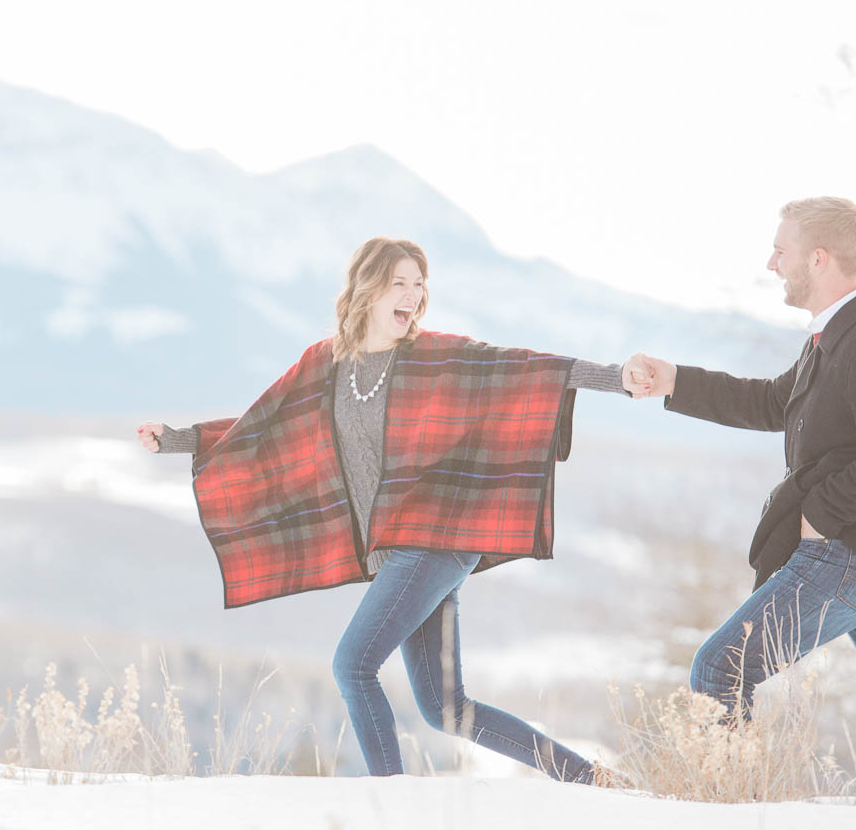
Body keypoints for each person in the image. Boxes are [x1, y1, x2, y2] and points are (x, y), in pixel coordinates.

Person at [138, 237, 638, 779]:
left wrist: (616, 379)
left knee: (352, 666)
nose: (413, 294)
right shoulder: (323, 363)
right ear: (367, 288)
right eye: (400, 282)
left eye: (419, 283)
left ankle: (393, 799)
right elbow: (260, 424)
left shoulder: (435, 356)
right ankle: (589, 777)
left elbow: (528, 369)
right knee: (447, 709)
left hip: (438, 540)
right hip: (404, 551)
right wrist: (178, 439)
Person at [625, 197, 856, 770]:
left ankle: (728, 803)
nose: (770, 264)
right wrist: (674, 382)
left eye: (780, 251)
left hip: (853, 554)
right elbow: (773, 402)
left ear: (817, 258)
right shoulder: (838, 335)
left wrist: (821, 515)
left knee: (720, 670)